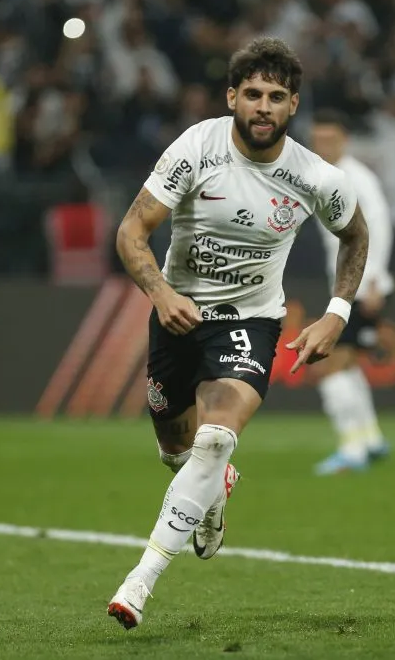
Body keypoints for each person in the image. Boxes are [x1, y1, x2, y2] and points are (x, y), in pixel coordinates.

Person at [106, 37, 369, 629]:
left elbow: (355, 235)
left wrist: (337, 312)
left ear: (293, 105)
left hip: (249, 322)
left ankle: (140, 580)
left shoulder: (313, 176)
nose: (263, 107)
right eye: (252, 94)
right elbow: (131, 230)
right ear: (232, 97)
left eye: (276, 97)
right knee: (176, 450)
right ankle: (211, 494)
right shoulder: (197, 147)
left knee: (217, 437)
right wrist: (161, 293)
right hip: (177, 315)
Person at [308, 109, 394, 474]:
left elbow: (379, 227)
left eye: (330, 139)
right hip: (344, 286)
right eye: (318, 140)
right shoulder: (321, 177)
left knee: (327, 366)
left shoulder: (358, 178)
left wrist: (373, 279)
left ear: (344, 140)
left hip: (360, 287)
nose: (323, 145)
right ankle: (371, 439)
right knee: (349, 366)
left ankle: (351, 449)